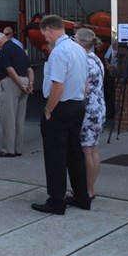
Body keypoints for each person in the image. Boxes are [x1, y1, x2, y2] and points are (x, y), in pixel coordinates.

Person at [32, 15, 91, 215]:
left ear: (49, 29)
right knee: (75, 153)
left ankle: (56, 201)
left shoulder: (59, 52)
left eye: (44, 34)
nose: (44, 39)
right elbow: (84, 81)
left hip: (60, 107)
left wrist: (48, 109)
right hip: (77, 105)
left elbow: (57, 85)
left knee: (55, 155)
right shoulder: (79, 49)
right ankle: (82, 196)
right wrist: (81, 99)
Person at [74, 28, 106, 200]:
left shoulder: (84, 61)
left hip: (88, 109)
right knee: (93, 150)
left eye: (74, 38)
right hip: (99, 107)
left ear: (80, 42)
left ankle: (88, 190)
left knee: (87, 151)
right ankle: (91, 188)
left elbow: (84, 87)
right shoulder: (97, 60)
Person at [0, 32, 33, 157]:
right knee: (20, 118)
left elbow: (10, 70)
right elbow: (29, 69)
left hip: (10, 84)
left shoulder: (4, 50)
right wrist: (30, 84)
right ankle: (17, 148)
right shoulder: (19, 49)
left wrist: (21, 85)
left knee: (8, 117)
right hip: (24, 81)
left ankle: (8, 149)